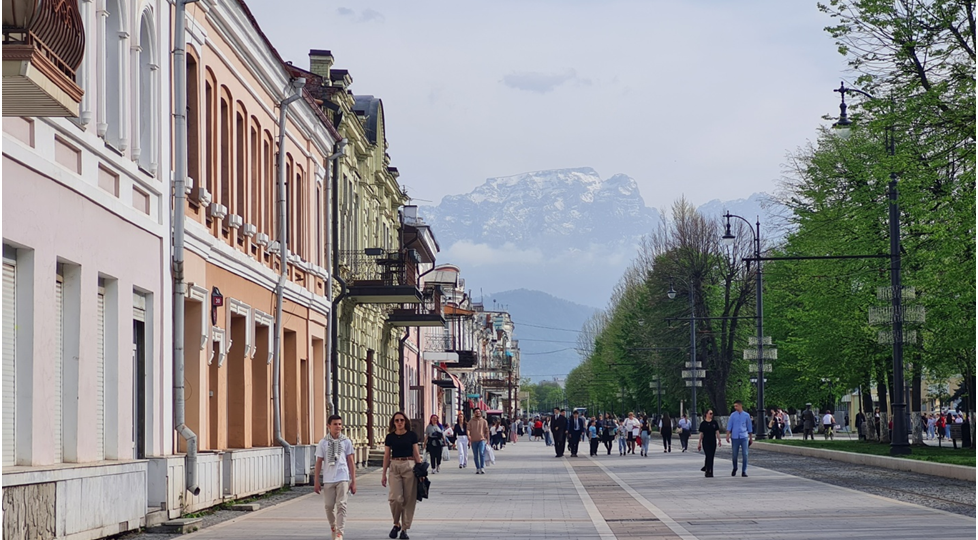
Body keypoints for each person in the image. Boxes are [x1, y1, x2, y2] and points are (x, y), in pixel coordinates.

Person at [314, 414, 356, 540]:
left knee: (341, 505)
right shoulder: (323, 443)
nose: (338, 426)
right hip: (328, 478)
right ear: (328, 426)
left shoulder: (346, 441)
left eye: (339, 424)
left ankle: (339, 533)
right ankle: (333, 526)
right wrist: (316, 481)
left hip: (342, 477)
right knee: (328, 506)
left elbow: (351, 461)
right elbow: (319, 462)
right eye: (335, 424)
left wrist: (353, 480)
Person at [382, 412, 422, 540]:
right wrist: (383, 474)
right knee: (395, 499)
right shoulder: (390, 437)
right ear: (393, 423)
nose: (399, 423)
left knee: (409, 499)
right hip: (394, 466)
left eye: (402, 420)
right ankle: (396, 523)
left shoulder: (411, 435)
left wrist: (421, 472)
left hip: (409, 465)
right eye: (397, 420)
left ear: (405, 422)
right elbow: (386, 456)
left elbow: (416, 454)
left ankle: (404, 529)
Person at [726, 400, 753, 477]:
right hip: (735, 437)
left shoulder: (746, 415)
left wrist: (750, 438)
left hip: (744, 436)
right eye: (734, 406)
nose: (735, 407)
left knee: (745, 454)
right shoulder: (733, 415)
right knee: (734, 454)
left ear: (740, 406)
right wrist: (727, 435)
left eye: (736, 406)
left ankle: (744, 471)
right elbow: (729, 425)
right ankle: (735, 467)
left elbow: (749, 427)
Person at [697, 409, 722, 477]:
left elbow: (717, 432)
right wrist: (699, 443)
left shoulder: (714, 423)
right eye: (710, 413)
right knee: (708, 455)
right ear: (706, 414)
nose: (711, 415)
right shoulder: (703, 424)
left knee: (711, 457)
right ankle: (707, 469)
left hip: (713, 442)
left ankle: (710, 471)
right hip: (706, 442)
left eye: (712, 413)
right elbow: (701, 434)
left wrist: (719, 440)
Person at [467, 409, 490, 474]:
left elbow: (487, 431)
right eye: (476, 412)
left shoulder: (484, 421)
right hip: (473, 440)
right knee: (475, 455)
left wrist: (488, 440)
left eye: (479, 412)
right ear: (474, 413)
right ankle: (477, 468)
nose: (478, 413)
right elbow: (468, 429)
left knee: (481, 453)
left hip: (481, 440)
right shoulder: (471, 421)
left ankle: (482, 467)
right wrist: (468, 435)